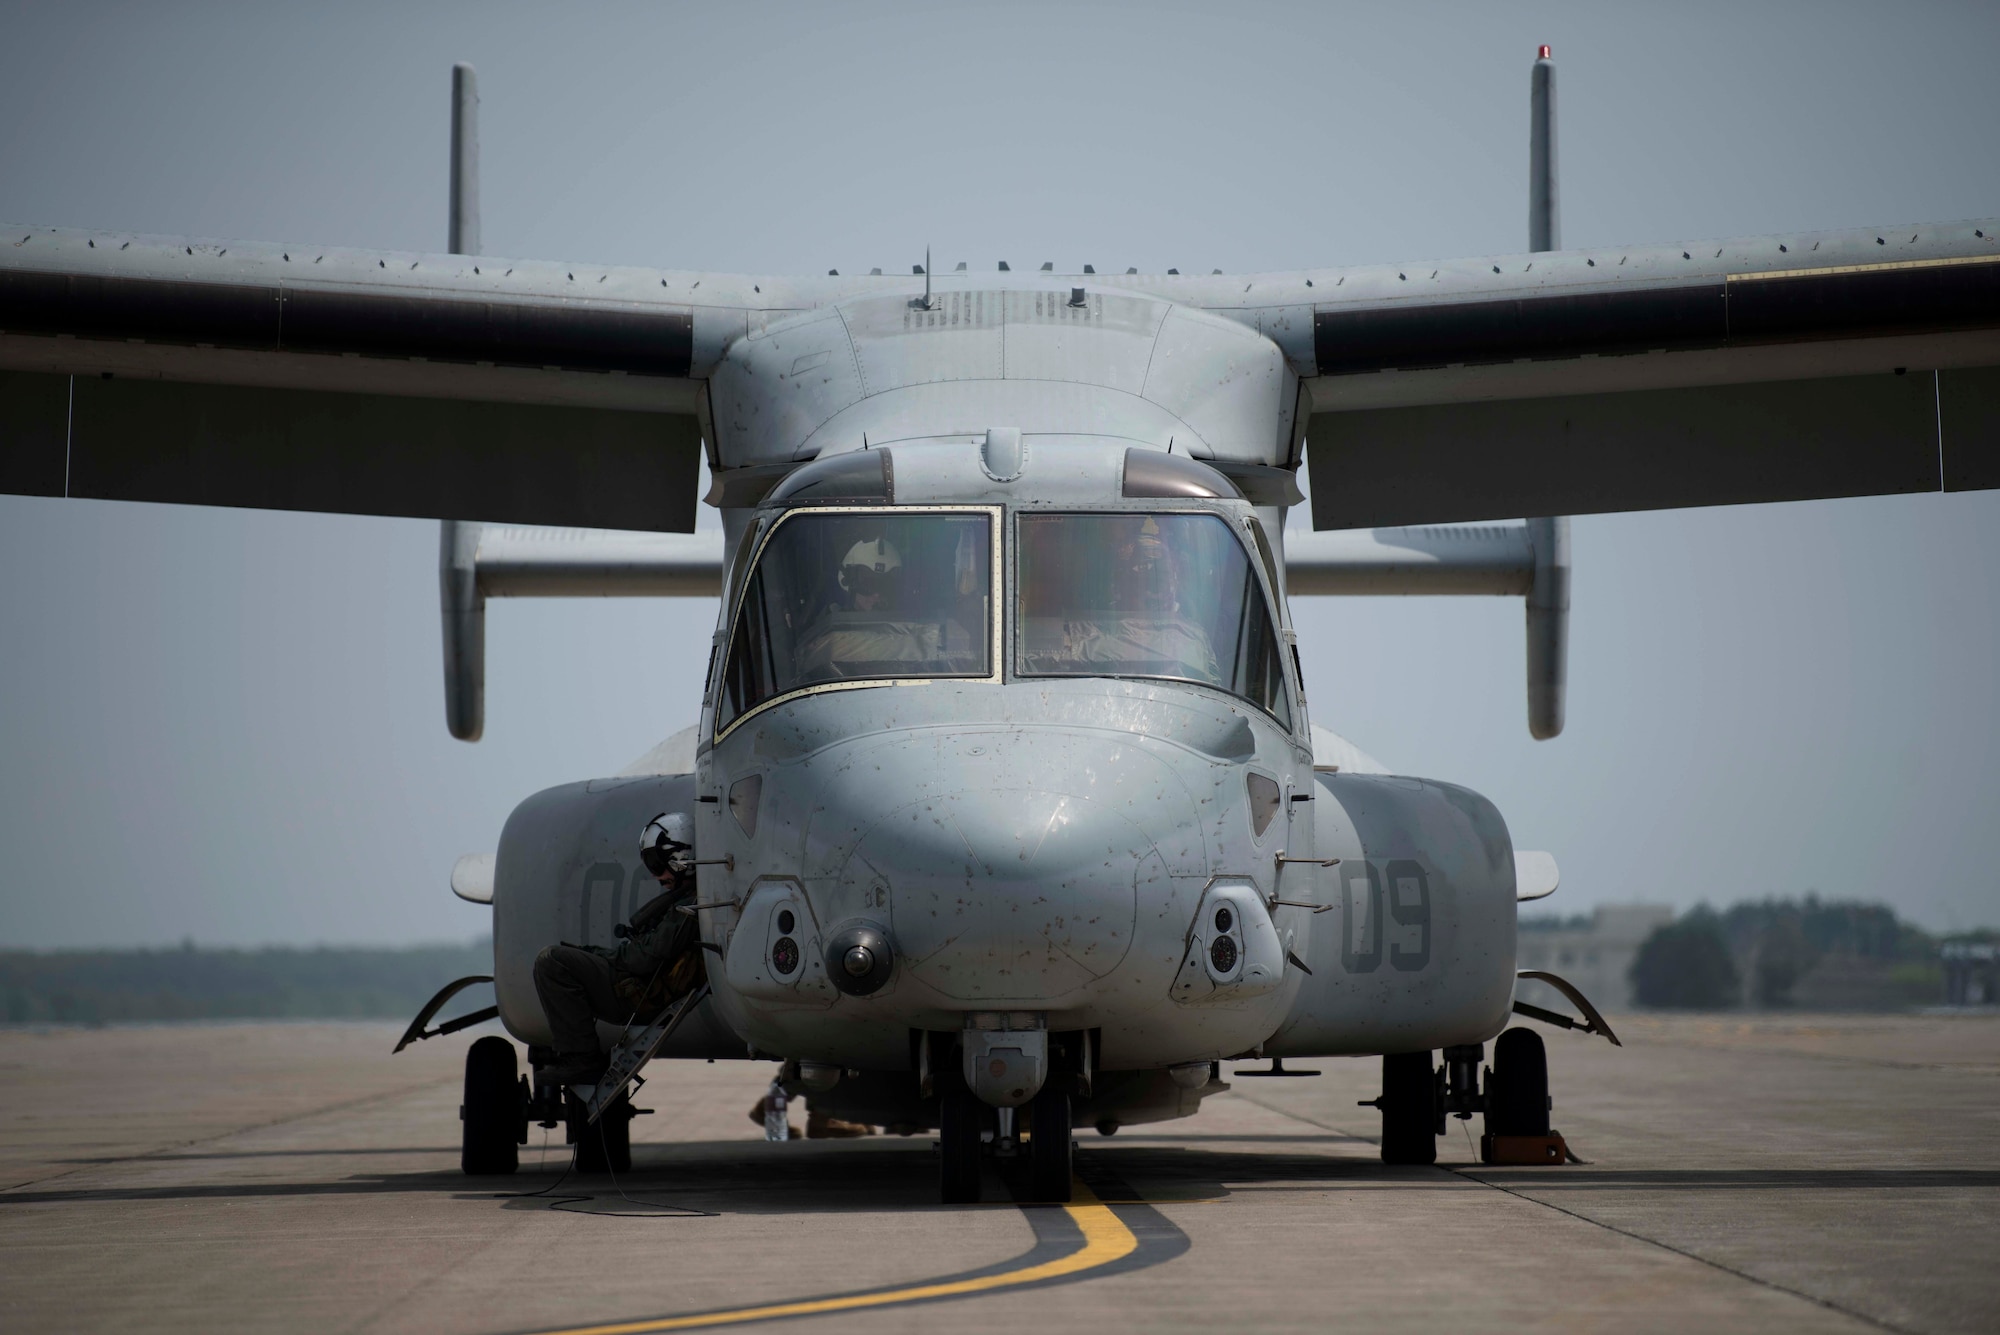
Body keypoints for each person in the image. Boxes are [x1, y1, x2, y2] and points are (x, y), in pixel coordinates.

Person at [532, 811, 705, 1087]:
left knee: (551, 962)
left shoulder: (690, 908)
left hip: (637, 991)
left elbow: (643, 959)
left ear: (681, 858)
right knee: (561, 958)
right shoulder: (688, 902)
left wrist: (600, 956)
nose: (657, 875)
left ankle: (582, 1059)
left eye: (657, 863)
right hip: (639, 987)